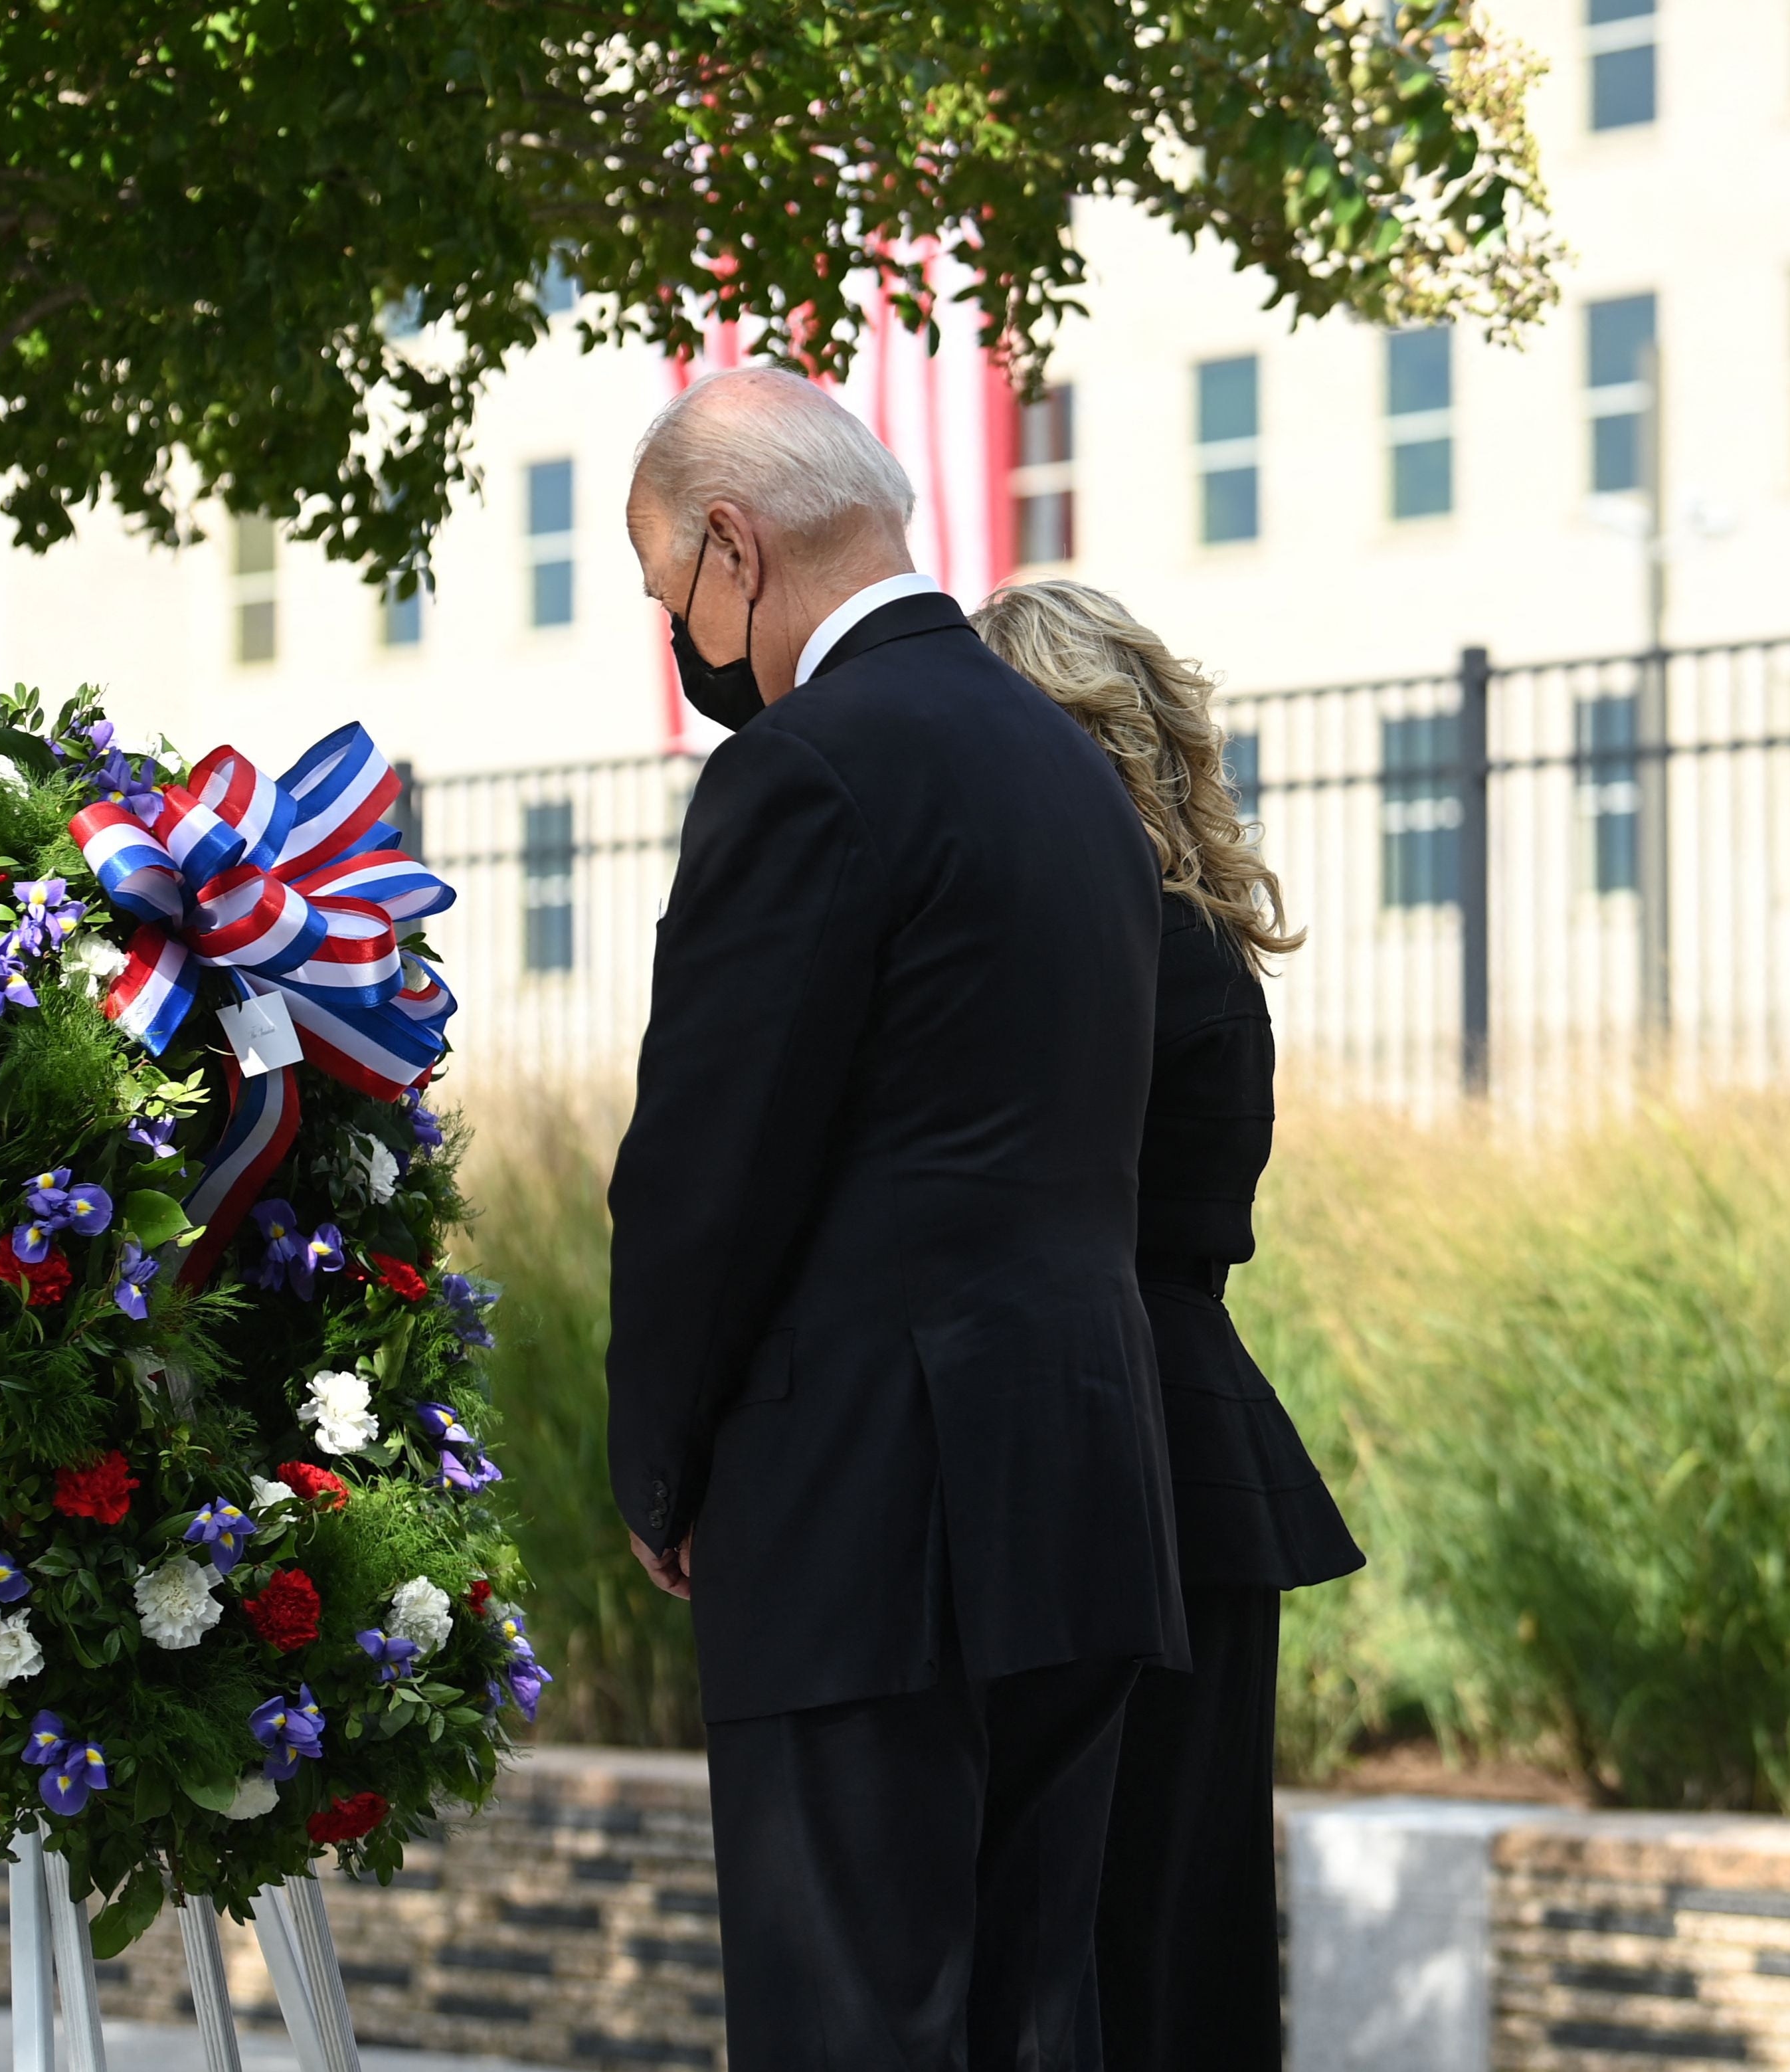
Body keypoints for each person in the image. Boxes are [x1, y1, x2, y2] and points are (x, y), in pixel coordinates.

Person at [602, 367, 1186, 2069]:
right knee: (1030, 2023)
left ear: (733, 544)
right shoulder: (1073, 772)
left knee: (853, 2028)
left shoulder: (807, 771)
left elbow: (710, 1170)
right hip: (1076, 1495)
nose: (685, 643)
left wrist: (664, 1466)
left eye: (668, 596)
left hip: (868, 1521)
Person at [969, 579, 1365, 2072]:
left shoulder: (1106, 954)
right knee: (1173, 1923)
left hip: (1111, 1436)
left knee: (1109, 1927)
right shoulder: (1195, 944)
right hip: (1188, 1444)